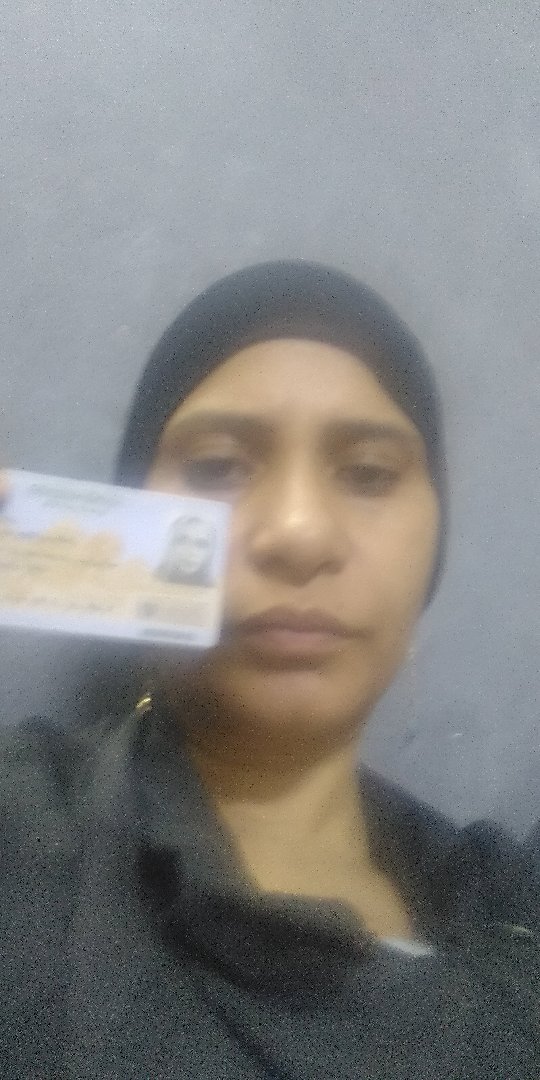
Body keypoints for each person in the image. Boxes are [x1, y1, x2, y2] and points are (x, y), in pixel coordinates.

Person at [0, 261, 539, 1079]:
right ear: (127, 520)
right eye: (217, 466)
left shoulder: (507, 910)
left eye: (368, 474)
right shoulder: (23, 832)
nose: (298, 532)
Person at [155, 514, 216, 586]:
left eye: (201, 544)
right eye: (182, 541)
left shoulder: (217, 588)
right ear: (171, 544)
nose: (190, 551)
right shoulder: (151, 580)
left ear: (210, 552)